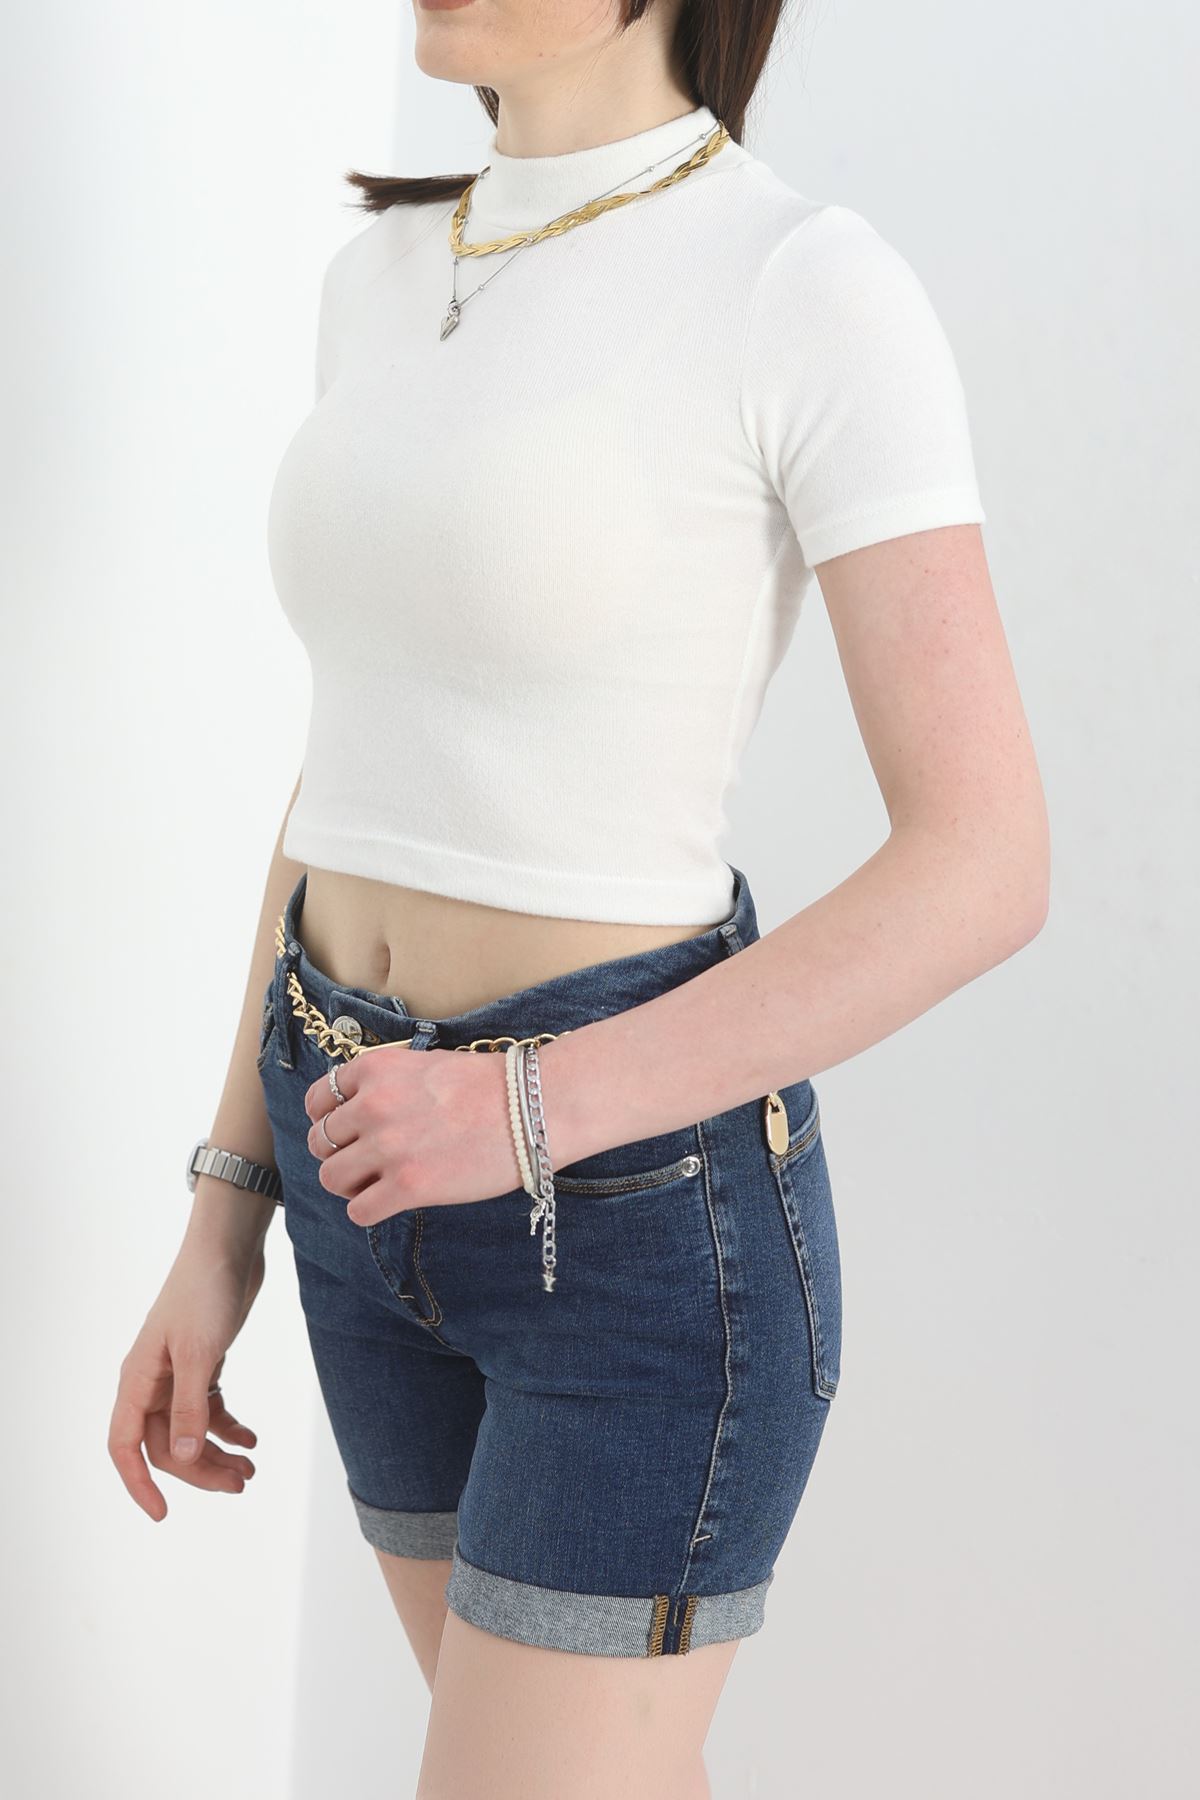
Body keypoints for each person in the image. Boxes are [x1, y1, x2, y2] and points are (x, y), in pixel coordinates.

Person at [109, 3, 1049, 1794]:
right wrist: (225, 1213)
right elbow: (345, 770)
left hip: (625, 1218)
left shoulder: (803, 286)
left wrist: (524, 1107)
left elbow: (988, 858)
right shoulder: (381, 276)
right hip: (353, 1167)